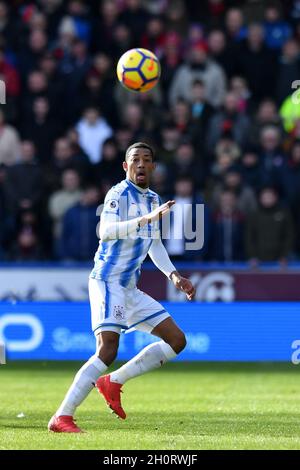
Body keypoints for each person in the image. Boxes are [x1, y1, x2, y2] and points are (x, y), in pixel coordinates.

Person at [48, 142, 195, 432]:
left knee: (177, 340)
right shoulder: (118, 194)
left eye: (146, 160)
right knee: (107, 349)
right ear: (125, 167)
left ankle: (113, 381)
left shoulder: (153, 199)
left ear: (153, 167)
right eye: (134, 160)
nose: (141, 164)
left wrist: (174, 275)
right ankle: (62, 416)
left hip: (128, 288)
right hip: (106, 281)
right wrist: (144, 219)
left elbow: (153, 242)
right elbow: (105, 231)